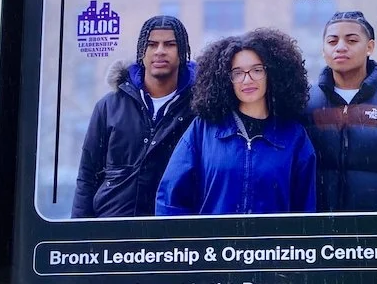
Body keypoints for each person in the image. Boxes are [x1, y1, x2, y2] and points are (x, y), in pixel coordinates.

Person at [155, 28, 316, 216]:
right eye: (237, 73)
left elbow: (306, 210)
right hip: (214, 244)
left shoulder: (294, 136)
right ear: (226, 79)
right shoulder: (203, 130)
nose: (247, 80)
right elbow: (170, 199)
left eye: (257, 70)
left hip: (273, 245)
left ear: (273, 73)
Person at [71, 15, 195, 217]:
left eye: (169, 44)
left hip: (173, 234)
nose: (160, 51)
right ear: (141, 52)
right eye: (152, 44)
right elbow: (87, 175)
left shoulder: (198, 108)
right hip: (112, 231)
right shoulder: (108, 106)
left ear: (182, 52)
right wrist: (77, 235)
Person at [305, 10, 377, 212]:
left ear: (370, 47)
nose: (340, 47)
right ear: (323, 50)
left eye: (351, 40)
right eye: (332, 42)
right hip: (318, 229)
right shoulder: (305, 102)